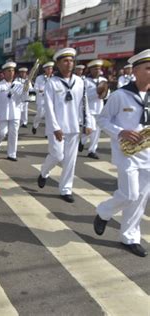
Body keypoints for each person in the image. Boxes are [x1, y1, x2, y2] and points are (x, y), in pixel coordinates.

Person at [93, 49, 149, 258]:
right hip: (127, 154)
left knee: (140, 199)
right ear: (135, 71)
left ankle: (130, 237)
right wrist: (121, 132)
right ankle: (103, 211)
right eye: (148, 68)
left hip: (148, 155)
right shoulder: (120, 95)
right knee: (130, 194)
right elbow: (102, 119)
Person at [37, 47, 92, 203]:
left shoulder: (80, 82)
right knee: (57, 155)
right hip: (57, 128)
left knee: (70, 160)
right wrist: (55, 127)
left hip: (74, 127)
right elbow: (48, 107)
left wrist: (87, 123)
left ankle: (66, 189)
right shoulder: (52, 83)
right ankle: (44, 172)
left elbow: (84, 104)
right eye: (65, 61)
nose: (69, 64)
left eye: (71, 61)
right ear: (58, 64)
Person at [0, 61, 25, 161]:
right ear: (4, 73)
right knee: (2, 133)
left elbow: (23, 98)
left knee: (14, 134)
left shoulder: (19, 84)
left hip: (15, 113)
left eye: (13, 70)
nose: (11, 73)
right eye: (9, 71)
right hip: (3, 114)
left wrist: (26, 89)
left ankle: (12, 154)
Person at [80, 59, 108, 159]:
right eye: (95, 68)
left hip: (99, 110)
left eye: (99, 68)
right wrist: (96, 92)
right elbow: (84, 96)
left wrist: (103, 94)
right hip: (89, 110)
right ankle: (82, 141)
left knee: (97, 132)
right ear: (90, 70)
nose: (97, 70)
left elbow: (106, 94)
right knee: (90, 130)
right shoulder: (85, 81)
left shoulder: (103, 80)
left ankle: (92, 150)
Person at [32, 62, 54, 135]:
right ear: (45, 69)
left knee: (49, 117)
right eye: (48, 69)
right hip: (41, 100)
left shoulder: (54, 78)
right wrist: (40, 91)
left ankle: (47, 133)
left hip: (50, 100)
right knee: (40, 115)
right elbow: (35, 88)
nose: (50, 70)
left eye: (51, 68)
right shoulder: (39, 78)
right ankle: (35, 125)